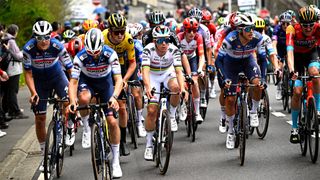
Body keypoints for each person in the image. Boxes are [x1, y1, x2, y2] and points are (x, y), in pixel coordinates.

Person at [68, 28, 123, 178]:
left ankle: (116, 160)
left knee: (112, 122)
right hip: (88, 83)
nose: (94, 55)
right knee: (84, 99)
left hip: (106, 84)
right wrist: (73, 101)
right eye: (91, 53)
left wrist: (115, 97)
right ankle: (86, 128)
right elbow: (73, 83)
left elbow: (118, 80)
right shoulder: (80, 57)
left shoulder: (110, 54)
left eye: (97, 52)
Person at [23, 20, 73, 170]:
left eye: (46, 37)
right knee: (40, 118)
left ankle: (69, 127)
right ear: (35, 37)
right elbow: (28, 74)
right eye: (39, 37)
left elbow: (70, 70)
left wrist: (72, 91)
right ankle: (45, 155)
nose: (44, 41)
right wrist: (33, 93)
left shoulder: (58, 46)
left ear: (51, 35)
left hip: (57, 76)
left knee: (68, 102)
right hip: (39, 80)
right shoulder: (28, 49)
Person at [215, 13, 266, 149]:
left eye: (253, 28)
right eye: (248, 29)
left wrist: (264, 78)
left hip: (247, 61)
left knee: (257, 84)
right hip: (230, 64)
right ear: (240, 30)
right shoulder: (230, 39)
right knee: (230, 100)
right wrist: (224, 77)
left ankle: (254, 111)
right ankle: (231, 131)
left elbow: (262, 58)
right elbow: (218, 60)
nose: (252, 32)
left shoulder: (258, 38)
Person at [142, 25, 186, 160]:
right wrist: (148, 87)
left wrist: (183, 88)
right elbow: (145, 71)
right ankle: (149, 145)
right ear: (154, 41)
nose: (164, 44)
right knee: (151, 110)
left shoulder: (174, 50)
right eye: (160, 41)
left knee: (176, 88)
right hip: (153, 76)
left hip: (167, 73)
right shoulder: (147, 50)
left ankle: (172, 116)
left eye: (167, 40)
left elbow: (178, 71)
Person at [102, 13, 136, 156]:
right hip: (104, 69)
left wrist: (125, 80)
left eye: (123, 31)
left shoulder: (128, 39)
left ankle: (121, 140)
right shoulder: (102, 38)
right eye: (117, 32)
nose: (120, 35)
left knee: (122, 107)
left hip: (121, 69)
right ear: (110, 31)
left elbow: (133, 63)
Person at [286, 6, 320, 143]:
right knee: (297, 91)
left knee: (315, 74)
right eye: (305, 25)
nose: (308, 28)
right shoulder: (292, 29)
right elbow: (289, 52)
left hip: (311, 55)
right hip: (297, 58)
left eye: (311, 25)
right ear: (300, 23)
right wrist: (292, 70)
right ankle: (294, 128)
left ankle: (318, 109)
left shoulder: (318, 27)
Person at [1, 24, 28, 119]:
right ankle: (15, 111)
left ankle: (5, 110)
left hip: (7, 68)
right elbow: (18, 56)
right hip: (13, 69)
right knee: (13, 90)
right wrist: (23, 52)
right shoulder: (11, 41)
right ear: (15, 32)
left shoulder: (5, 38)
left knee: (7, 91)